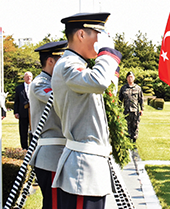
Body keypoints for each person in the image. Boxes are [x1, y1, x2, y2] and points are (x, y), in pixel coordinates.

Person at [50, 12, 123, 209]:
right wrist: (107, 52)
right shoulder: (68, 65)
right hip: (83, 167)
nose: (101, 40)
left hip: (90, 164)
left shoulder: (77, 65)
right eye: (98, 34)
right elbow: (99, 82)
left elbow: (106, 88)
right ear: (81, 34)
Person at [28, 40, 68, 209]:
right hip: (50, 155)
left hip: (60, 153)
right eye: (62, 59)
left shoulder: (56, 82)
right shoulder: (40, 83)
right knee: (54, 205)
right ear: (51, 61)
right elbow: (61, 98)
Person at [119, 71, 144, 143]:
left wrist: (142, 109)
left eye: (131, 77)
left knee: (135, 126)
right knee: (127, 126)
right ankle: (128, 141)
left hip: (135, 111)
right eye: (129, 77)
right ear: (126, 78)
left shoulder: (138, 88)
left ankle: (134, 141)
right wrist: (118, 109)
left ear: (134, 78)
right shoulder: (123, 88)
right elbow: (120, 100)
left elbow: (141, 99)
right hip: (126, 111)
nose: (130, 78)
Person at [14, 71, 33, 150]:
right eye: (27, 76)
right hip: (23, 112)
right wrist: (16, 112)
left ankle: (32, 147)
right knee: (23, 131)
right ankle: (24, 147)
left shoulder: (35, 86)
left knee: (33, 131)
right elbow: (16, 101)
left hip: (33, 113)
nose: (28, 78)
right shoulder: (19, 88)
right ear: (24, 78)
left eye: (30, 76)